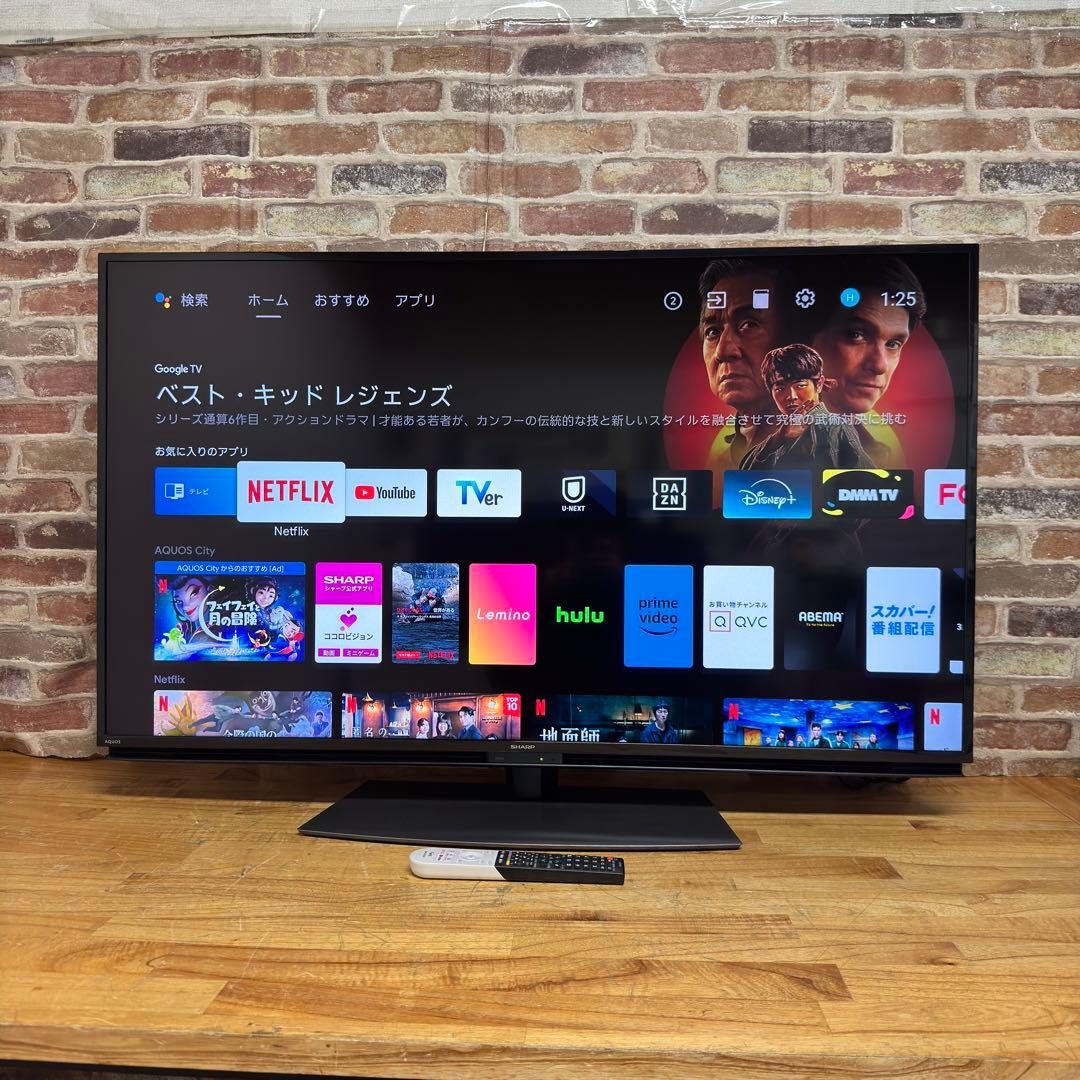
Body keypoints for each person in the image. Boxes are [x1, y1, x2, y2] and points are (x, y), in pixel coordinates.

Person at [798, 256, 927, 467]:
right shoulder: (762, 445)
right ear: (807, 340)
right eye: (856, 335)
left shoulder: (879, 455)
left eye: (893, 344)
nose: (880, 365)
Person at [698, 258, 793, 481]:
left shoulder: (831, 447)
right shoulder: (717, 462)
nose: (722, 351)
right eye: (713, 331)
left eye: (749, 324)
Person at [739, 343, 874, 472]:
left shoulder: (833, 426)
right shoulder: (777, 438)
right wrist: (778, 439)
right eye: (780, 388)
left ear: (819, 384)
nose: (791, 396)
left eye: (800, 385)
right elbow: (744, 480)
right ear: (771, 393)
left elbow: (861, 480)